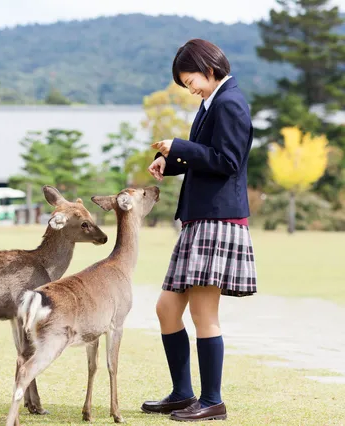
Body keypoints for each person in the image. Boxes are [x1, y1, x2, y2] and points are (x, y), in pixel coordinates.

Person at [141, 38, 257, 422]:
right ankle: (183, 393)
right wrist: (169, 160)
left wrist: (180, 146)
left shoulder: (229, 102)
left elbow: (228, 161)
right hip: (201, 219)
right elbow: (206, 156)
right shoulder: (212, 103)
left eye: (188, 78)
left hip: (217, 220)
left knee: (204, 314)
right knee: (166, 308)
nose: (188, 87)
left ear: (208, 67)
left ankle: (212, 401)